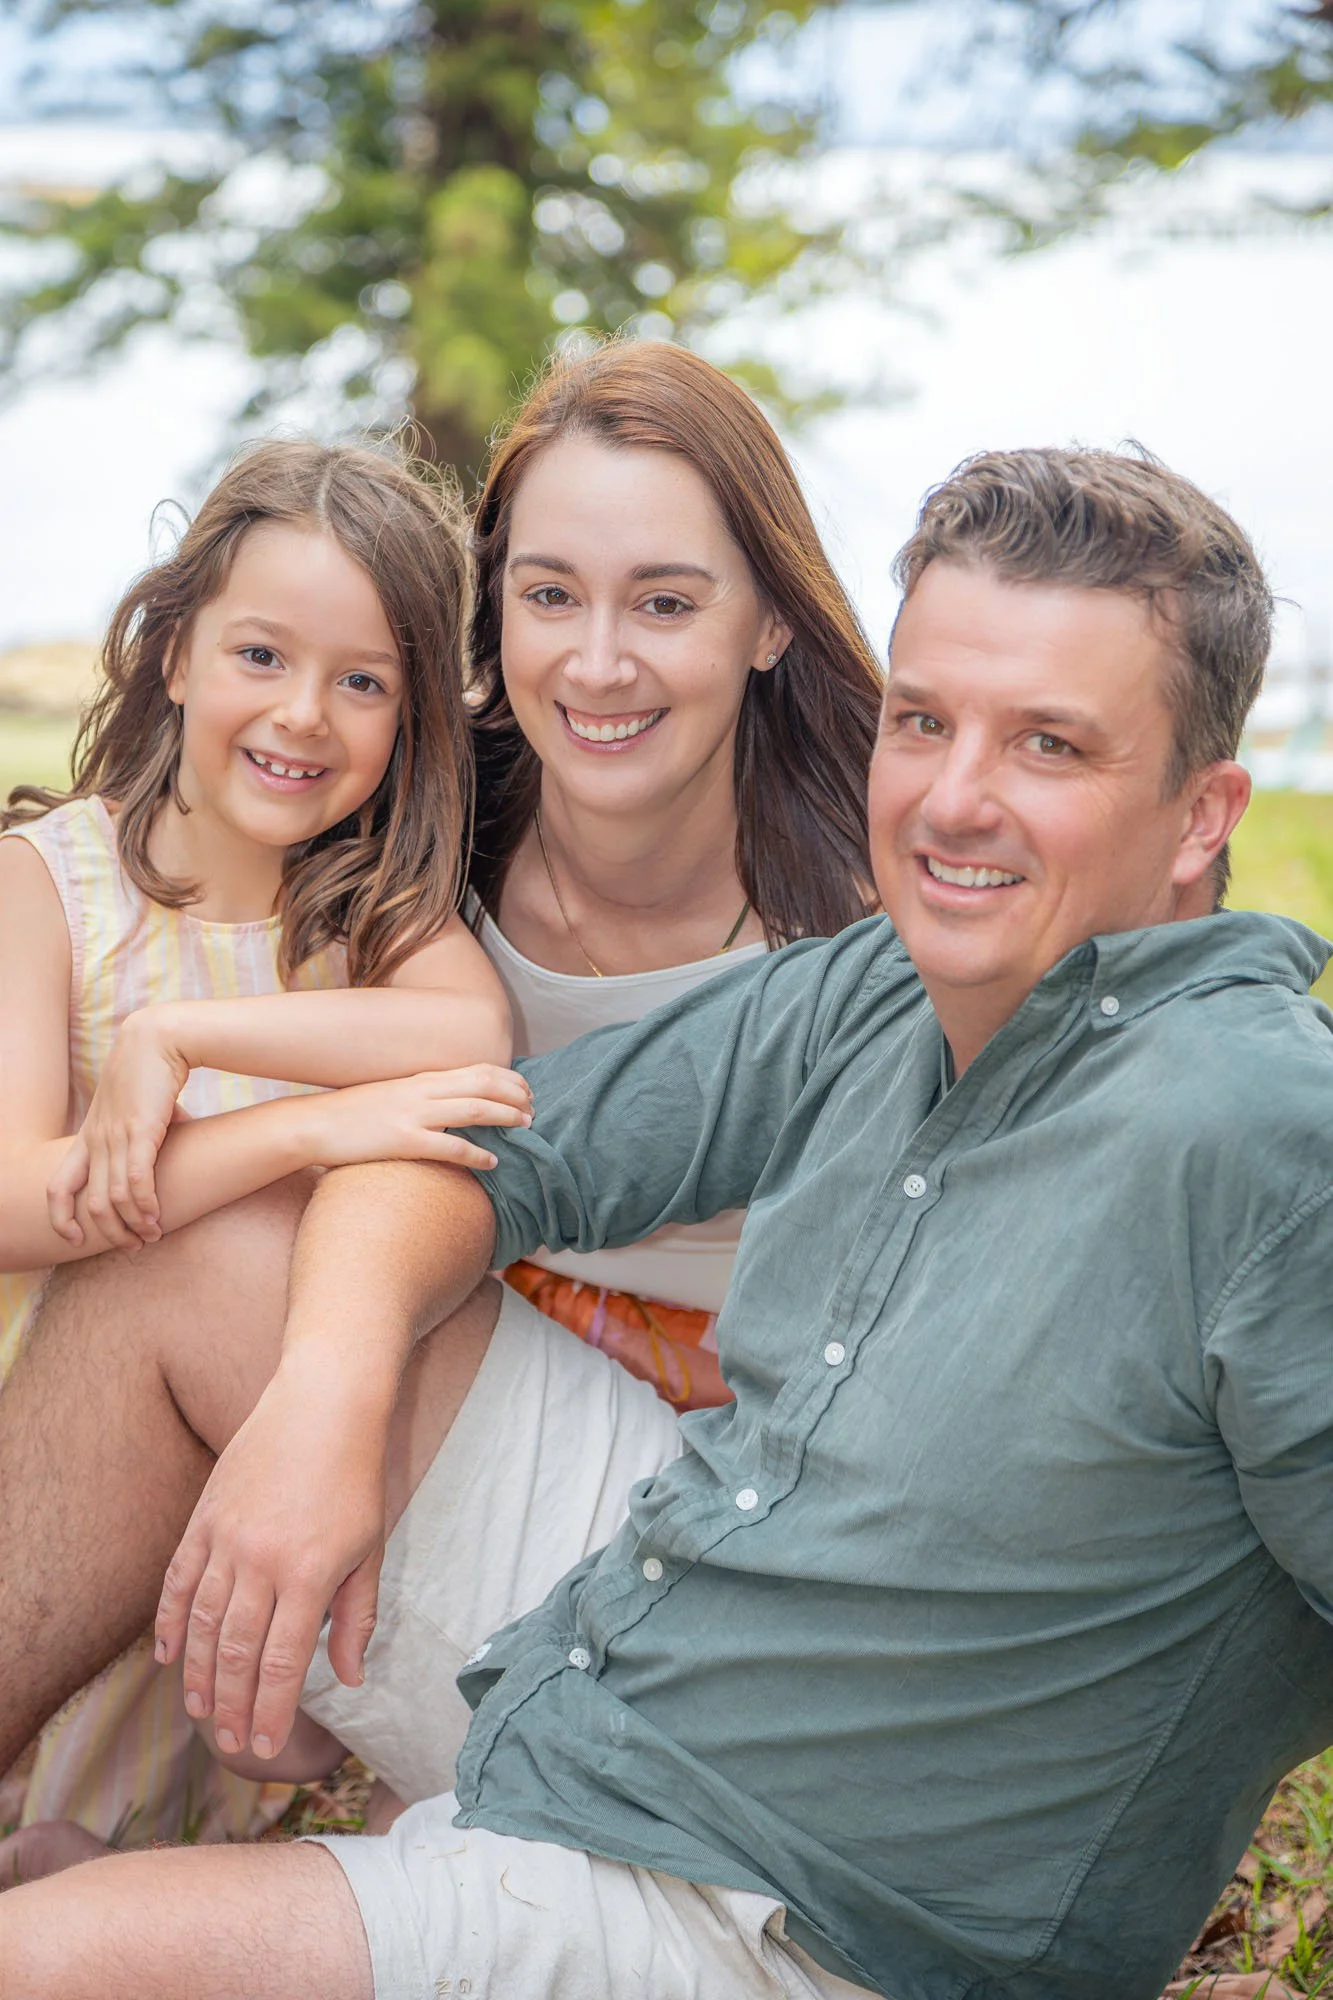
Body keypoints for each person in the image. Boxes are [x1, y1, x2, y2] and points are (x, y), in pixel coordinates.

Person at [3, 443, 1330, 2000]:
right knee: (215, 1259)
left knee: (44, 1962)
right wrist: (332, 1386)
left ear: (1200, 815)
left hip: (789, 1908)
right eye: (923, 721)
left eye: (1048, 744)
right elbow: (485, 1146)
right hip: (637, 1628)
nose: (953, 799)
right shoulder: (881, 985)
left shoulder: (1263, 1136)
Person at [0, 439, 528, 1856]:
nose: (304, 714)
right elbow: (20, 1201)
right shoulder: (50, 886)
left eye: (363, 681)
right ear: (172, 654)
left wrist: (181, 1055)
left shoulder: (369, 917)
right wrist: (297, 1125)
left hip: (213, 1562)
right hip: (40, 1478)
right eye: (259, 654)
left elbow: (469, 1036)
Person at [463, 338, 881, 1410]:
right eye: (550, 594)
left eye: (664, 605)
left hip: (761, 1439)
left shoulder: (877, 906)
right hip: (466, 1360)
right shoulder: (423, 827)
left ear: (772, 620)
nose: (597, 665)